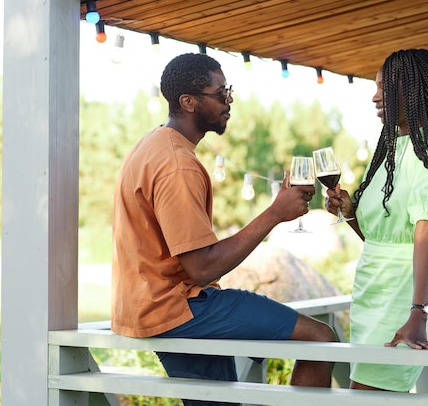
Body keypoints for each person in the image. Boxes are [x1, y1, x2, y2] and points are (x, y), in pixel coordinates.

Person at [111, 52, 336, 406]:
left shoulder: (152, 145)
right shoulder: (176, 164)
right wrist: (274, 214)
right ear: (188, 102)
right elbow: (202, 268)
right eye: (220, 94)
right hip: (179, 307)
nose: (229, 101)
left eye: (228, 90)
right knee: (320, 339)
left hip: (150, 306)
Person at [325, 48, 428, 392]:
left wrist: (418, 311)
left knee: (366, 398)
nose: (375, 96)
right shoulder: (391, 144)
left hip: (402, 294)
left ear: (412, 88)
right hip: (370, 290)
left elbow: (426, 228)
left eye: (384, 87)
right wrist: (349, 212)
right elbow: (379, 237)